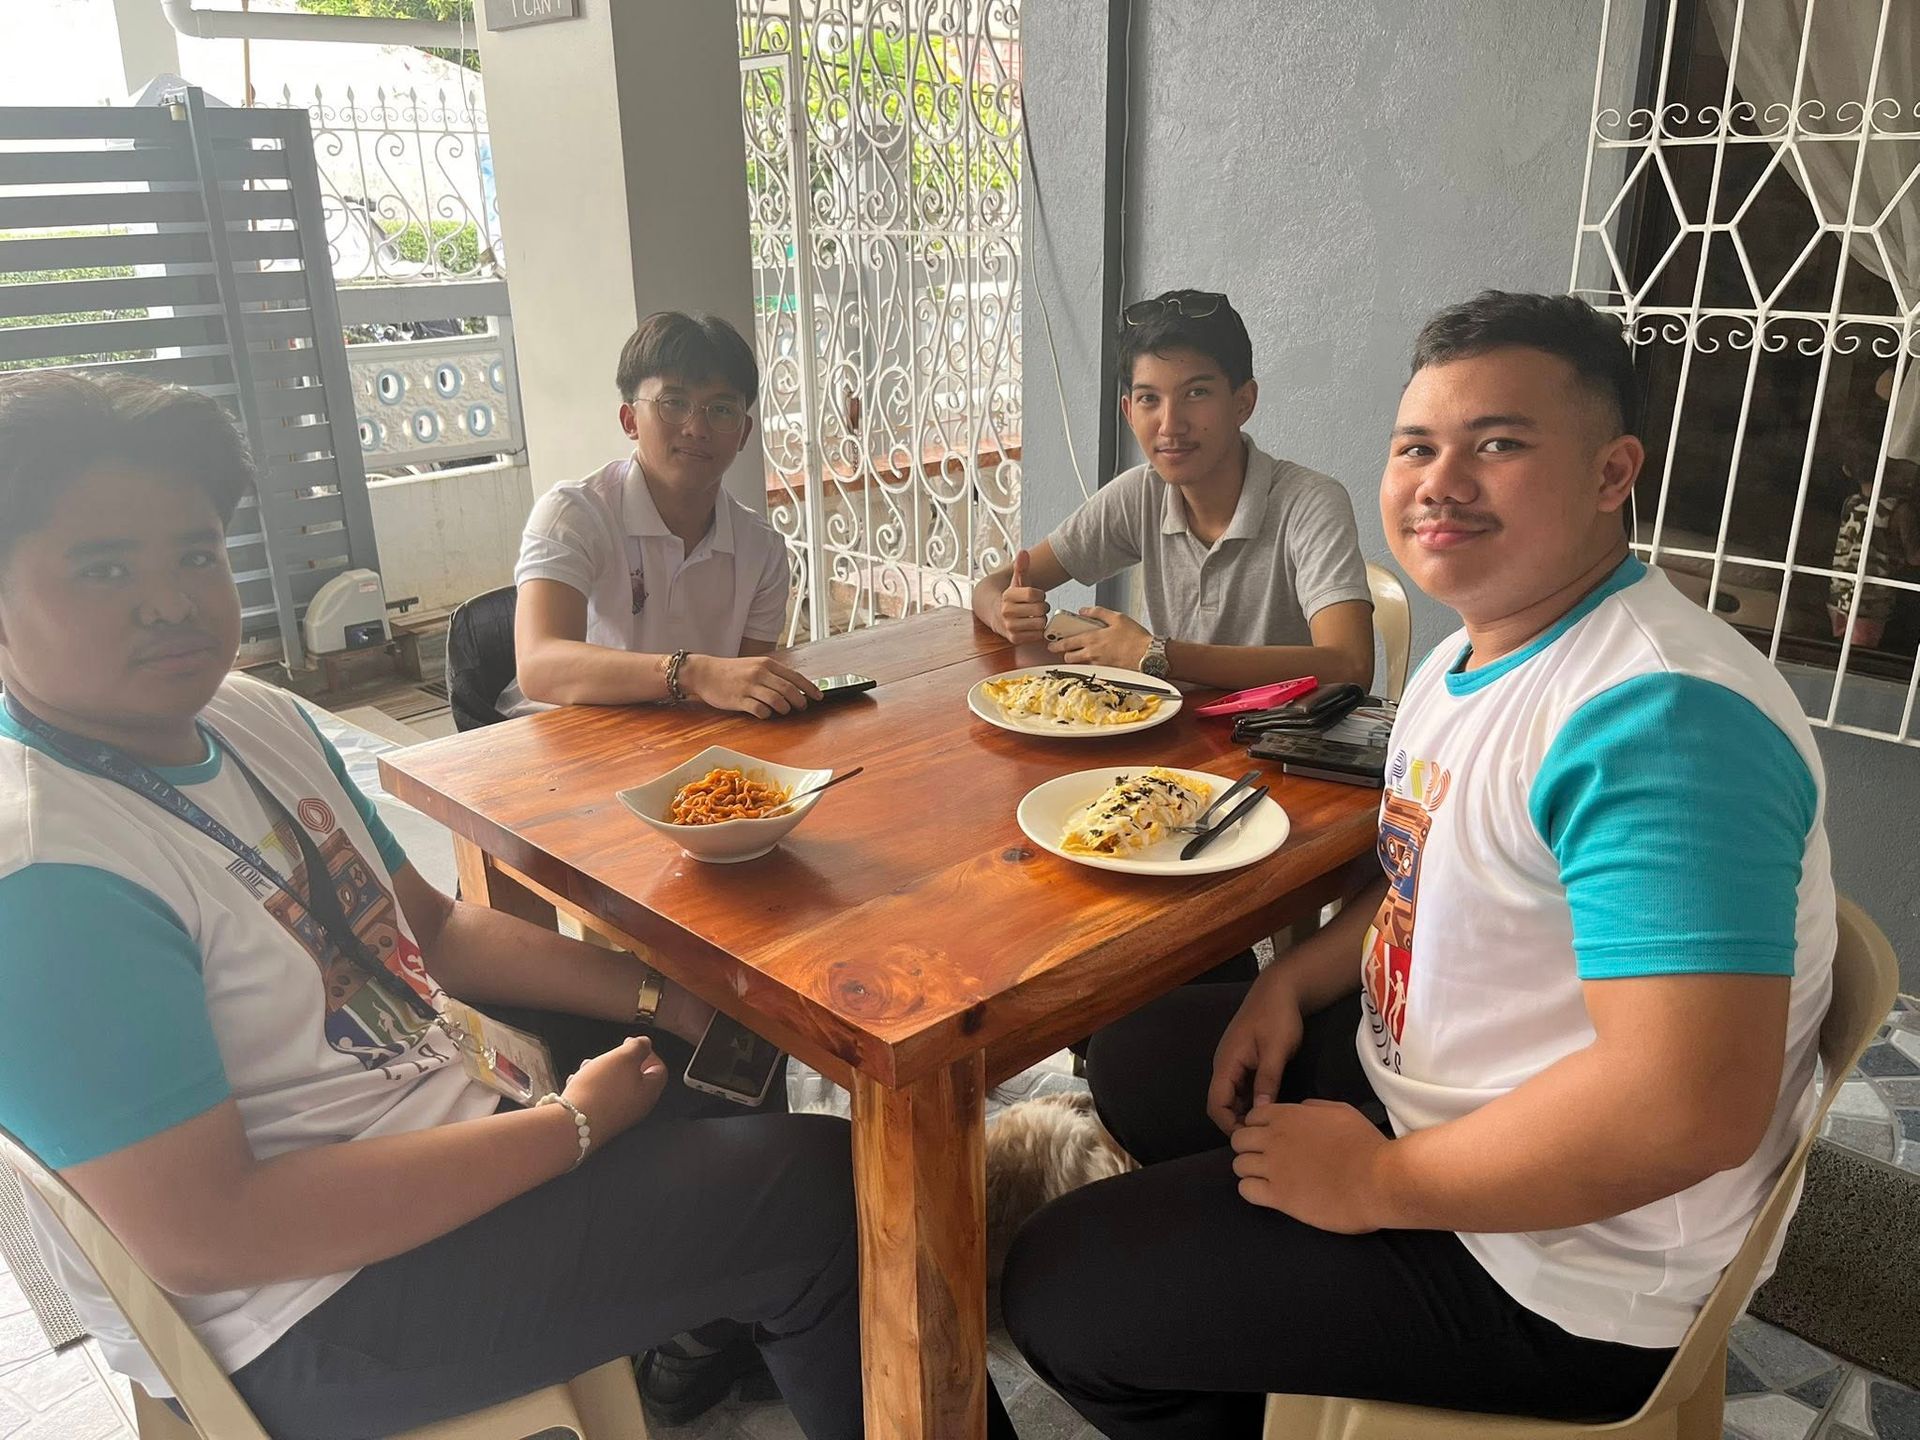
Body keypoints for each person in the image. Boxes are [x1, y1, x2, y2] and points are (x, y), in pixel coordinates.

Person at [1001, 291, 1837, 1438]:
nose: (1442, 481)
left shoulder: (1659, 718)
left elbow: (1683, 1109)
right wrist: (1288, 985)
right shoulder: (1469, 657)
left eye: (1498, 444)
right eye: (1417, 446)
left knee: (1060, 1286)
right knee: (1149, 1057)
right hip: (1440, 1096)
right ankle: (1250, 1334)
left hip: (1559, 1265)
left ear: (1612, 473)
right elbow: (1422, 879)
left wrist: (1378, 1186)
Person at [0, 373, 888, 1440]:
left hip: (433, 1122)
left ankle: (721, 1325)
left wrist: (670, 996)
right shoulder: (44, 871)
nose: (171, 601)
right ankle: (780, 1294)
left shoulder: (249, 715)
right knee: (817, 1193)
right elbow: (213, 1234)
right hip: (314, 1310)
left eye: (195, 554)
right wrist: (569, 1129)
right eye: (103, 568)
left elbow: (432, 930)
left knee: (724, 1046)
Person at [971, 288, 1374, 691]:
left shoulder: (1309, 503)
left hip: (1276, 747)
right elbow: (992, 587)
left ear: (1243, 402)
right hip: (1170, 740)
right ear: (1130, 412)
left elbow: (1350, 663)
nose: (1169, 425)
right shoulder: (1142, 493)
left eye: (1196, 393)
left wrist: (1158, 654)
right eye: (1149, 399)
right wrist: (1003, 611)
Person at [499, 311, 823, 720]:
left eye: (721, 409)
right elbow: (539, 665)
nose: (697, 428)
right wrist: (692, 672)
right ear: (630, 419)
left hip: (692, 747)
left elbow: (747, 698)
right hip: (568, 744)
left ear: (744, 432)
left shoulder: (762, 549)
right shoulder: (573, 515)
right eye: (674, 403)